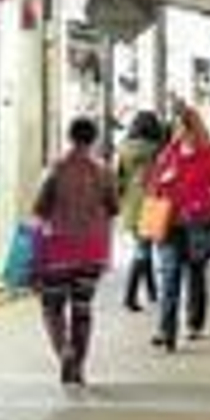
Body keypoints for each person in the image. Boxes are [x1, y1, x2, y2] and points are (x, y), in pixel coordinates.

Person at [32, 117, 119, 386]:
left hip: (59, 249)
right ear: (94, 139)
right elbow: (114, 207)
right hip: (93, 251)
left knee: (52, 307)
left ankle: (65, 351)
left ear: (69, 137)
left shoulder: (55, 169)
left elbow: (39, 208)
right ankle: (79, 366)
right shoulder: (104, 172)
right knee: (82, 308)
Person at [151, 106, 210, 350]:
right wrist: (160, 187)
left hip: (197, 226)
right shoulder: (168, 155)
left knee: (195, 275)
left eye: (182, 127)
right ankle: (167, 330)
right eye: (175, 127)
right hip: (169, 224)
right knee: (169, 276)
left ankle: (195, 321)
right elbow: (154, 185)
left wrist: (200, 206)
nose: (178, 132)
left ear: (193, 128)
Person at [117, 110, 164, 311]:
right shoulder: (156, 150)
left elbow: (118, 180)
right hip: (151, 203)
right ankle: (130, 295)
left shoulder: (124, 148)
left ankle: (152, 291)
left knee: (143, 247)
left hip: (131, 205)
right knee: (143, 250)